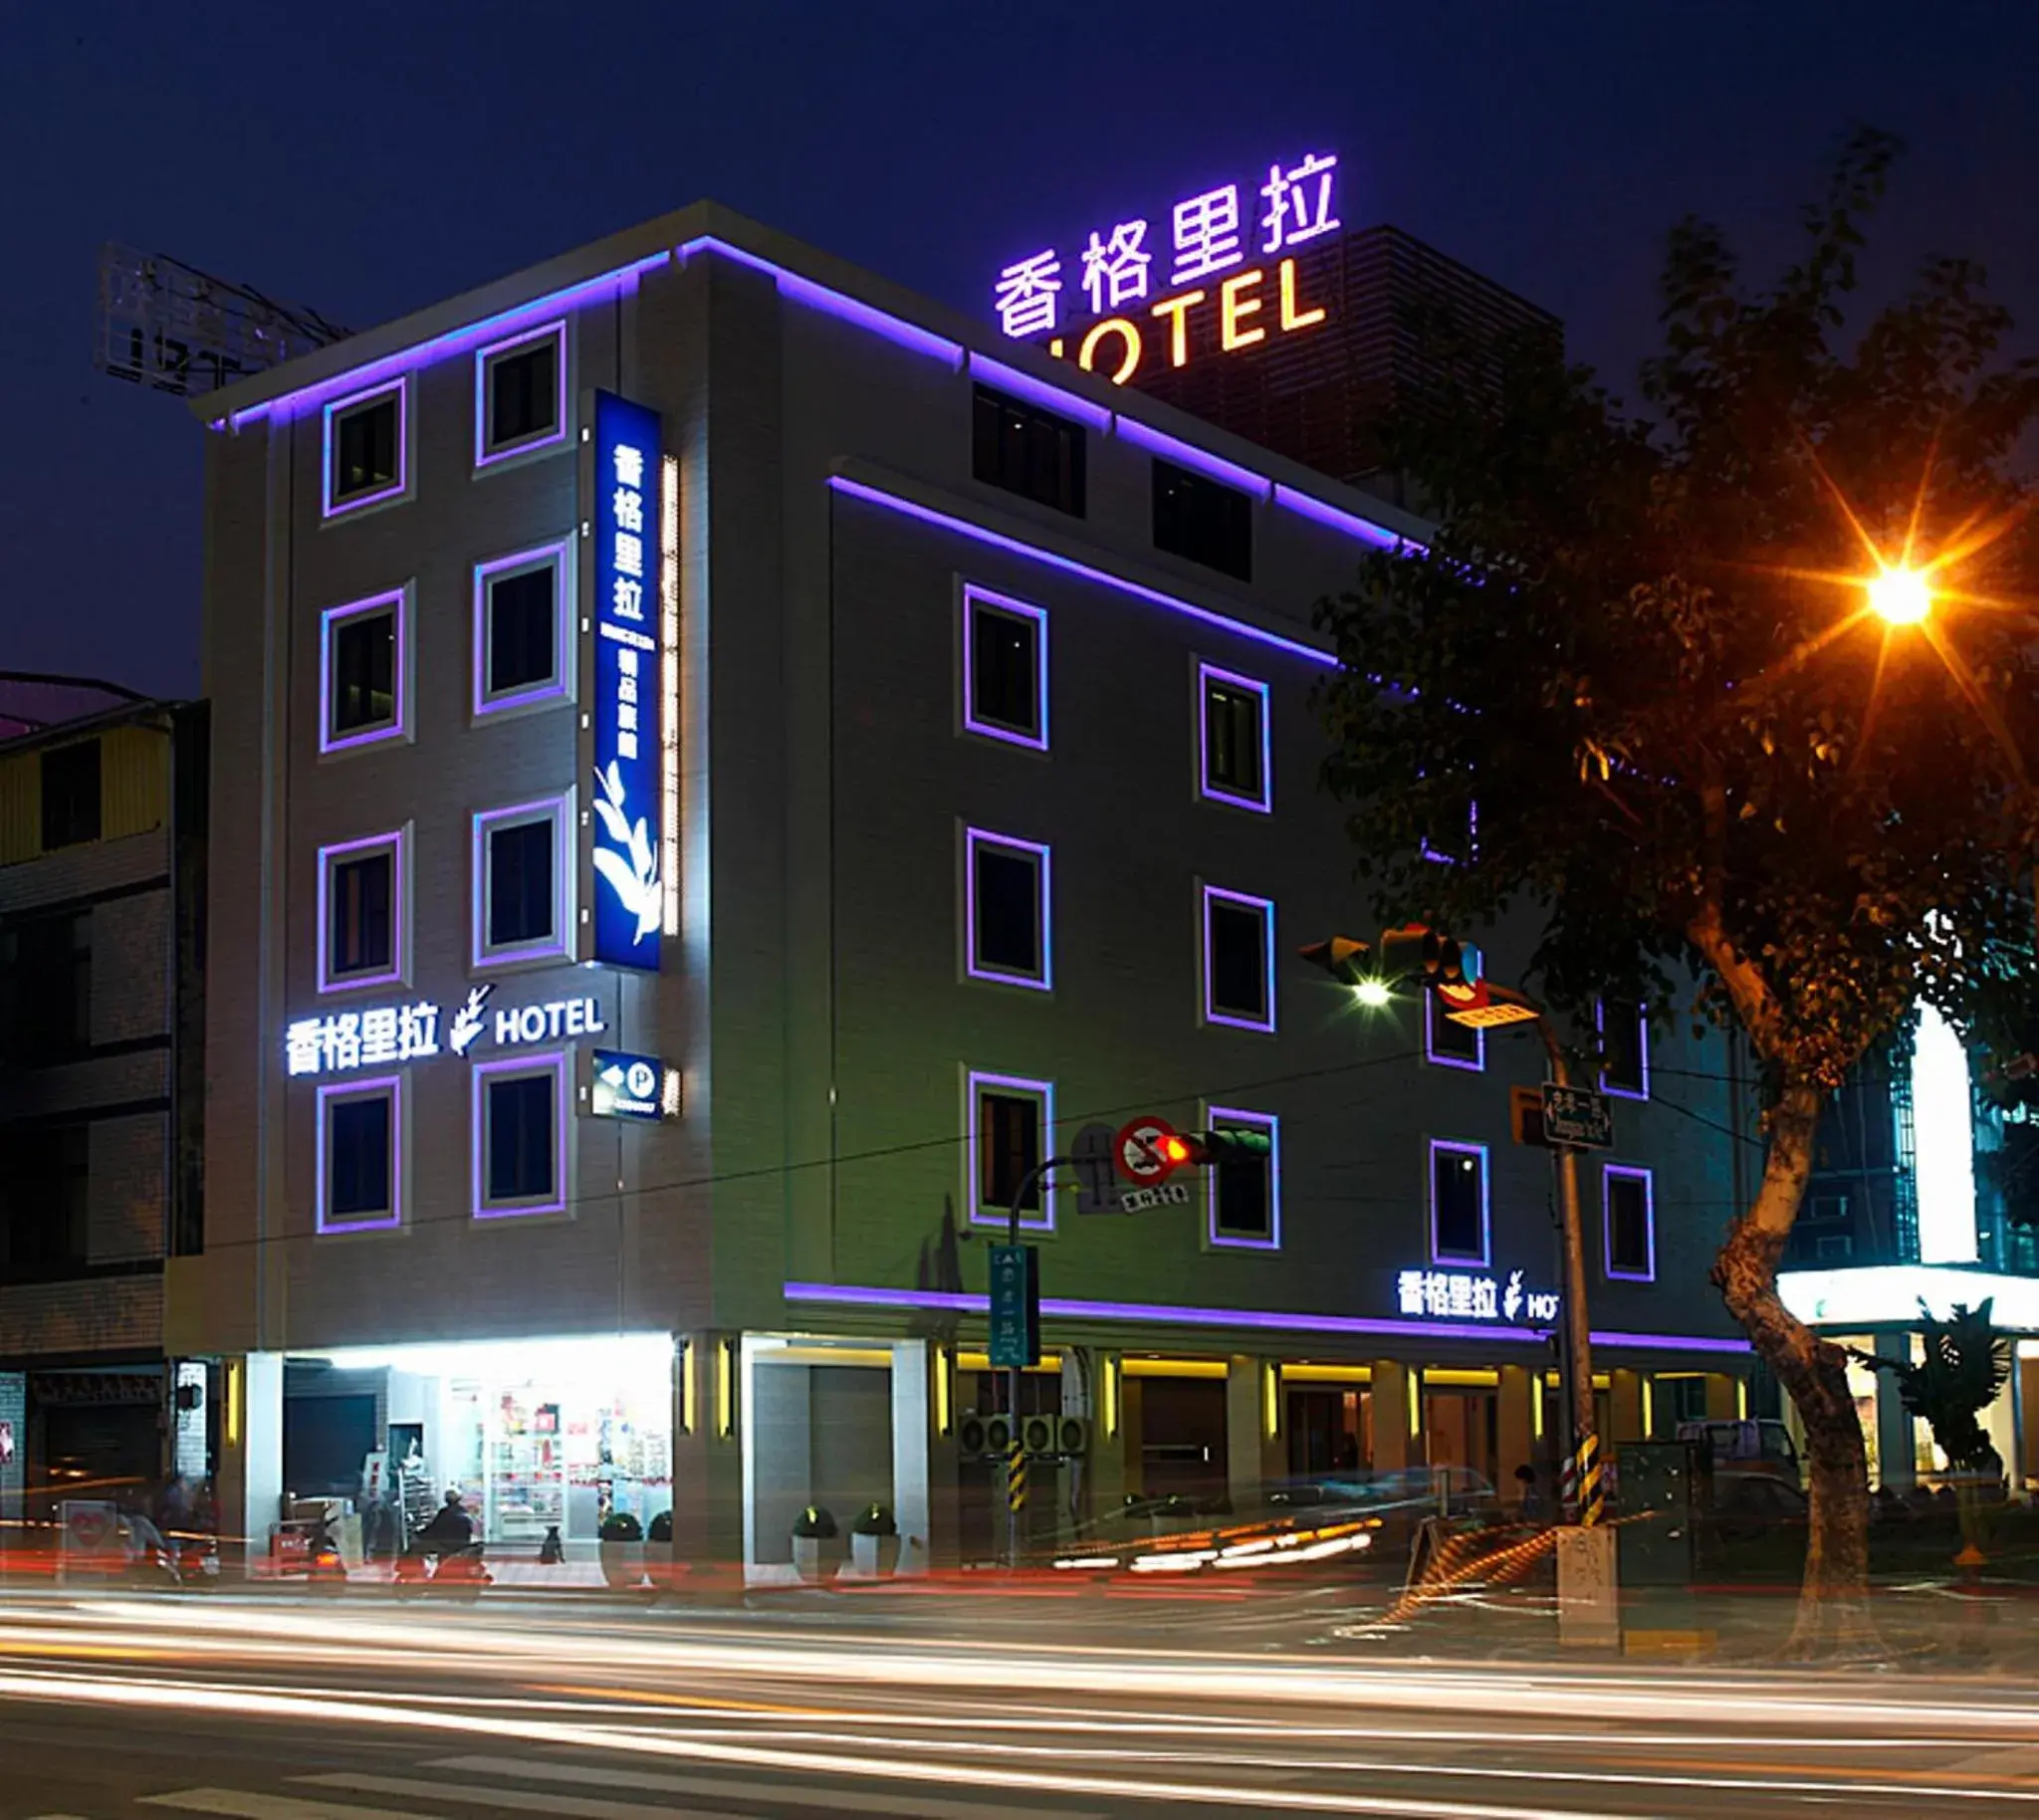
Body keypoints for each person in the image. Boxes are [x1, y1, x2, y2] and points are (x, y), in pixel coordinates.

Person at [416, 1488, 475, 1555]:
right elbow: (469, 1530)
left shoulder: (444, 1513)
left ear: (446, 1500)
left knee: (416, 1546)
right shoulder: (465, 1512)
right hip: (462, 1545)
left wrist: (420, 1533)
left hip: (446, 1545)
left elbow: (434, 1530)